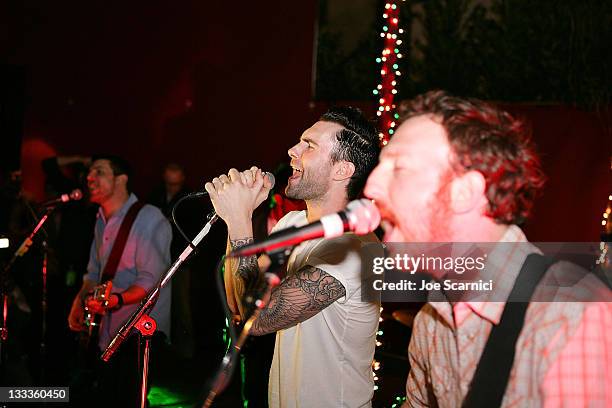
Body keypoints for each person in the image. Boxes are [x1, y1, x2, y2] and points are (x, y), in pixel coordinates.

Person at [364, 90, 612, 407]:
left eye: (399, 168)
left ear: (465, 192)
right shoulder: (432, 322)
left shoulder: (572, 316)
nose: (371, 186)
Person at [205, 106, 383, 407]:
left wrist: (238, 220)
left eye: (309, 145)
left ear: (342, 170)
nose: (292, 150)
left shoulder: (356, 250)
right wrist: (237, 218)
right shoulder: (292, 224)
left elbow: (257, 321)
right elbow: (239, 304)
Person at [67, 154, 172, 406]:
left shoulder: (149, 218)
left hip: (138, 336)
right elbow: (94, 272)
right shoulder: (101, 219)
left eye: (99, 172)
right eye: (89, 173)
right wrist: (78, 302)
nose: (90, 178)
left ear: (121, 179)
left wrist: (116, 300)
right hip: (107, 332)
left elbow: (152, 281)